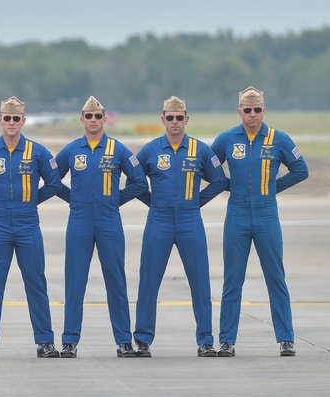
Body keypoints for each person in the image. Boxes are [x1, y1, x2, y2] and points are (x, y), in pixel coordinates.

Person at [211, 86, 309, 357]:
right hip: (237, 213)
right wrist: (229, 185)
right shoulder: (227, 139)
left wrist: (273, 188)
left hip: (267, 213)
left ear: (264, 110)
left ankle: (286, 338)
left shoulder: (280, 139)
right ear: (239, 111)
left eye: (257, 110)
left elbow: (301, 170)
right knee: (232, 280)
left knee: (276, 278)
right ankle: (227, 340)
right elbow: (208, 168)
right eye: (247, 110)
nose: (252, 115)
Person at [0, 96, 64, 359]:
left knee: (36, 283)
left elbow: (53, 182)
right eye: (7, 118)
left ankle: (45, 341)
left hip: (28, 224)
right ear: (0, 120)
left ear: (23, 121)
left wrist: (31, 200)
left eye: (16, 119)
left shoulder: (38, 152)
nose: (11, 123)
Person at [132, 95, 228, 358]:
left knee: (200, 281)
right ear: (163, 120)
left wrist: (198, 202)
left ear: (187, 119)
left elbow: (219, 181)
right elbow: (135, 182)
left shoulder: (201, 150)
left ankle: (205, 340)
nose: (175, 122)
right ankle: (142, 339)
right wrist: (152, 202)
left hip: (190, 221)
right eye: (170, 118)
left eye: (179, 117)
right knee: (149, 282)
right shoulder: (150, 150)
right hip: (159, 220)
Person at [55, 96, 148, 359]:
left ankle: (123, 341)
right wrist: (72, 197)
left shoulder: (118, 150)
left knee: (116, 281)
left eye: (98, 116)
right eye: (89, 116)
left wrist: (117, 199)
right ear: (82, 119)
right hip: (79, 220)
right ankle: (70, 341)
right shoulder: (72, 150)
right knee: (75, 281)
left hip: (109, 219)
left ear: (104, 119)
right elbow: (52, 179)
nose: (93, 120)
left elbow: (139, 182)